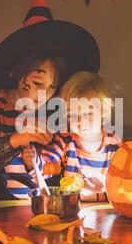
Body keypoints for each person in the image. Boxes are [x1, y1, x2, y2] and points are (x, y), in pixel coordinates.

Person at [0, 0, 100, 199]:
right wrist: (15, 140)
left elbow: (69, 156)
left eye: (52, 86)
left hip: (43, 209)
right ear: (17, 73)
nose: (45, 94)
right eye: (37, 82)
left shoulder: (54, 114)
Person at [21, 71, 122, 202]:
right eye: (72, 115)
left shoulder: (115, 146)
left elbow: (125, 184)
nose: (80, 121)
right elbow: (49, 165)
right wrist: (34, 162)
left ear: (103, 111)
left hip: (109, 211)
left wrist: (107, 188)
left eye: (87, 113)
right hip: (73, 210)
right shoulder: (65, 141)